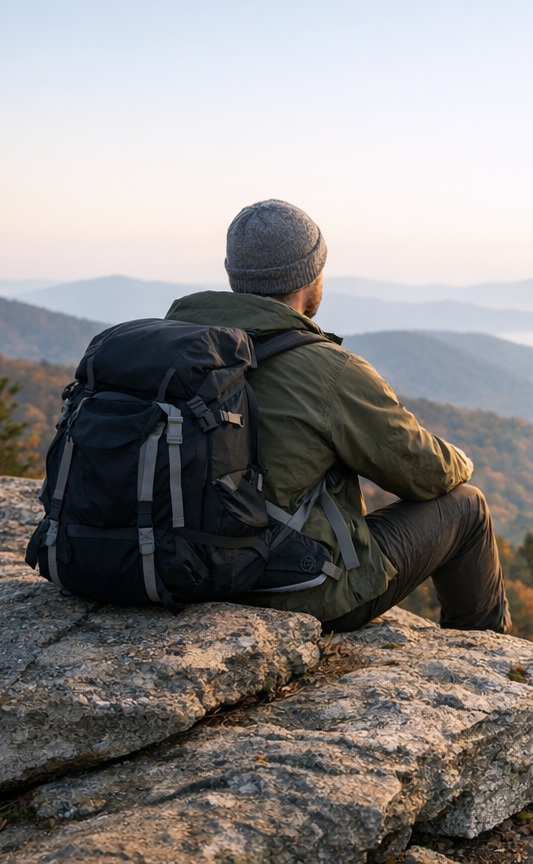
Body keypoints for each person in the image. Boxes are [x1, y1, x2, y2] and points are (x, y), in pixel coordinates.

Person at [165, 199, 510, 633]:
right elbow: (424, 472)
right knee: (468, 507)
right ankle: (480, 657)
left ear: (236, 275)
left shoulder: (176, 346)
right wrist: (460, 459)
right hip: (293, 589)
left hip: (174, 566)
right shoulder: (329, 370)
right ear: (310, 276)